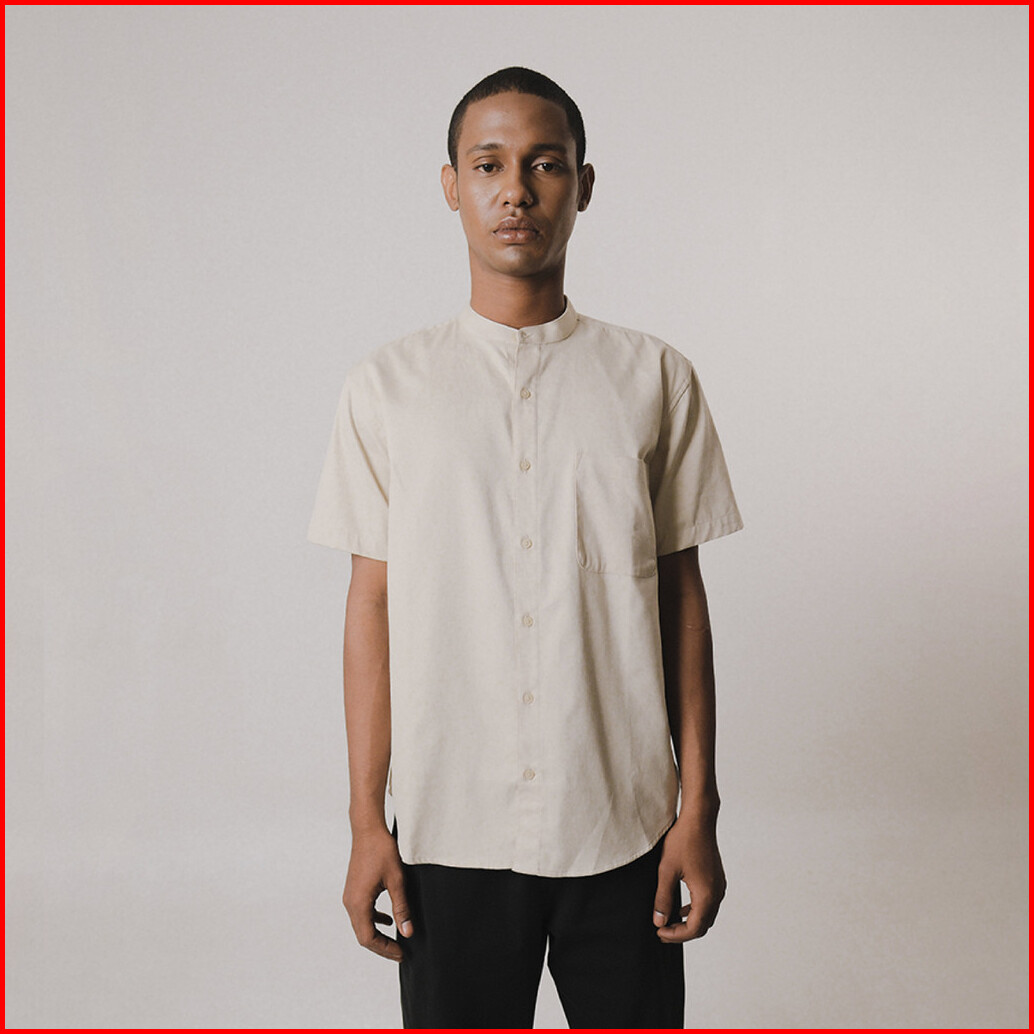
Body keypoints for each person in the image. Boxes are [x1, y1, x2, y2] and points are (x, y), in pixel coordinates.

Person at [308, 66, 743, 1029]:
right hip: (449, 830)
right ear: (451, 185)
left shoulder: (654, 378)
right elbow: (371, 607)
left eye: (545, 164)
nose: (516, 190)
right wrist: (366, 823)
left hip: (623, 826)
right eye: (489, 164)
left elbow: (683, 602)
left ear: (583, 185)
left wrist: (698, 809)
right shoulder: (387, 389)